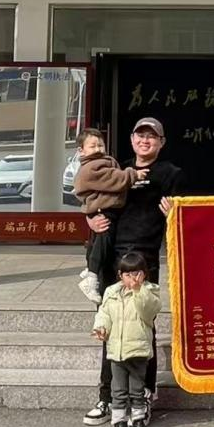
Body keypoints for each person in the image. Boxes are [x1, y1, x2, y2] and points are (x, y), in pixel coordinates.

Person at [81, 117, 182, 427]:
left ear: (161, 142)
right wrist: (90, 219)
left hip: (142, 259)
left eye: (152, 136)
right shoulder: (118, 168)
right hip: (111, 256)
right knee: (109, 326)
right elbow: (93, 198)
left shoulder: (170, 173)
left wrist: (175, 213)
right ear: (132, 139)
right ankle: (108, 396)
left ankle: (143, 396)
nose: (145, 140)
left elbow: (183, 216)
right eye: (140, 135)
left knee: (141, 328)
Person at [91, 250, 162, 427]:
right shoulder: (112, 292)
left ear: (144, 274)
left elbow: (149, 312)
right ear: (120, 275)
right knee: (119, 390)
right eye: (128, 274)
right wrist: (101, 328)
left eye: (137, 274)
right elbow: (104, 313)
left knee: (137, 390)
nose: (133, 278)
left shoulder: (150, 291)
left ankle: (138, 421)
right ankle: (119, 423)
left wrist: (138, 290)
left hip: (138, 349)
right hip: (117, 350)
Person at [74, 128, 149, 304]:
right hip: (103, 210)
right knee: (102, 240)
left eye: (100, 145)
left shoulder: (101, 162)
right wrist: (133, 174)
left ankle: (91, 269)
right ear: (81, 150)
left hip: (104, 210)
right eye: (92, 146)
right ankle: (92, 276)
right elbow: (111, 178)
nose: (98, 149)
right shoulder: (92, 167)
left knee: (98, 241)